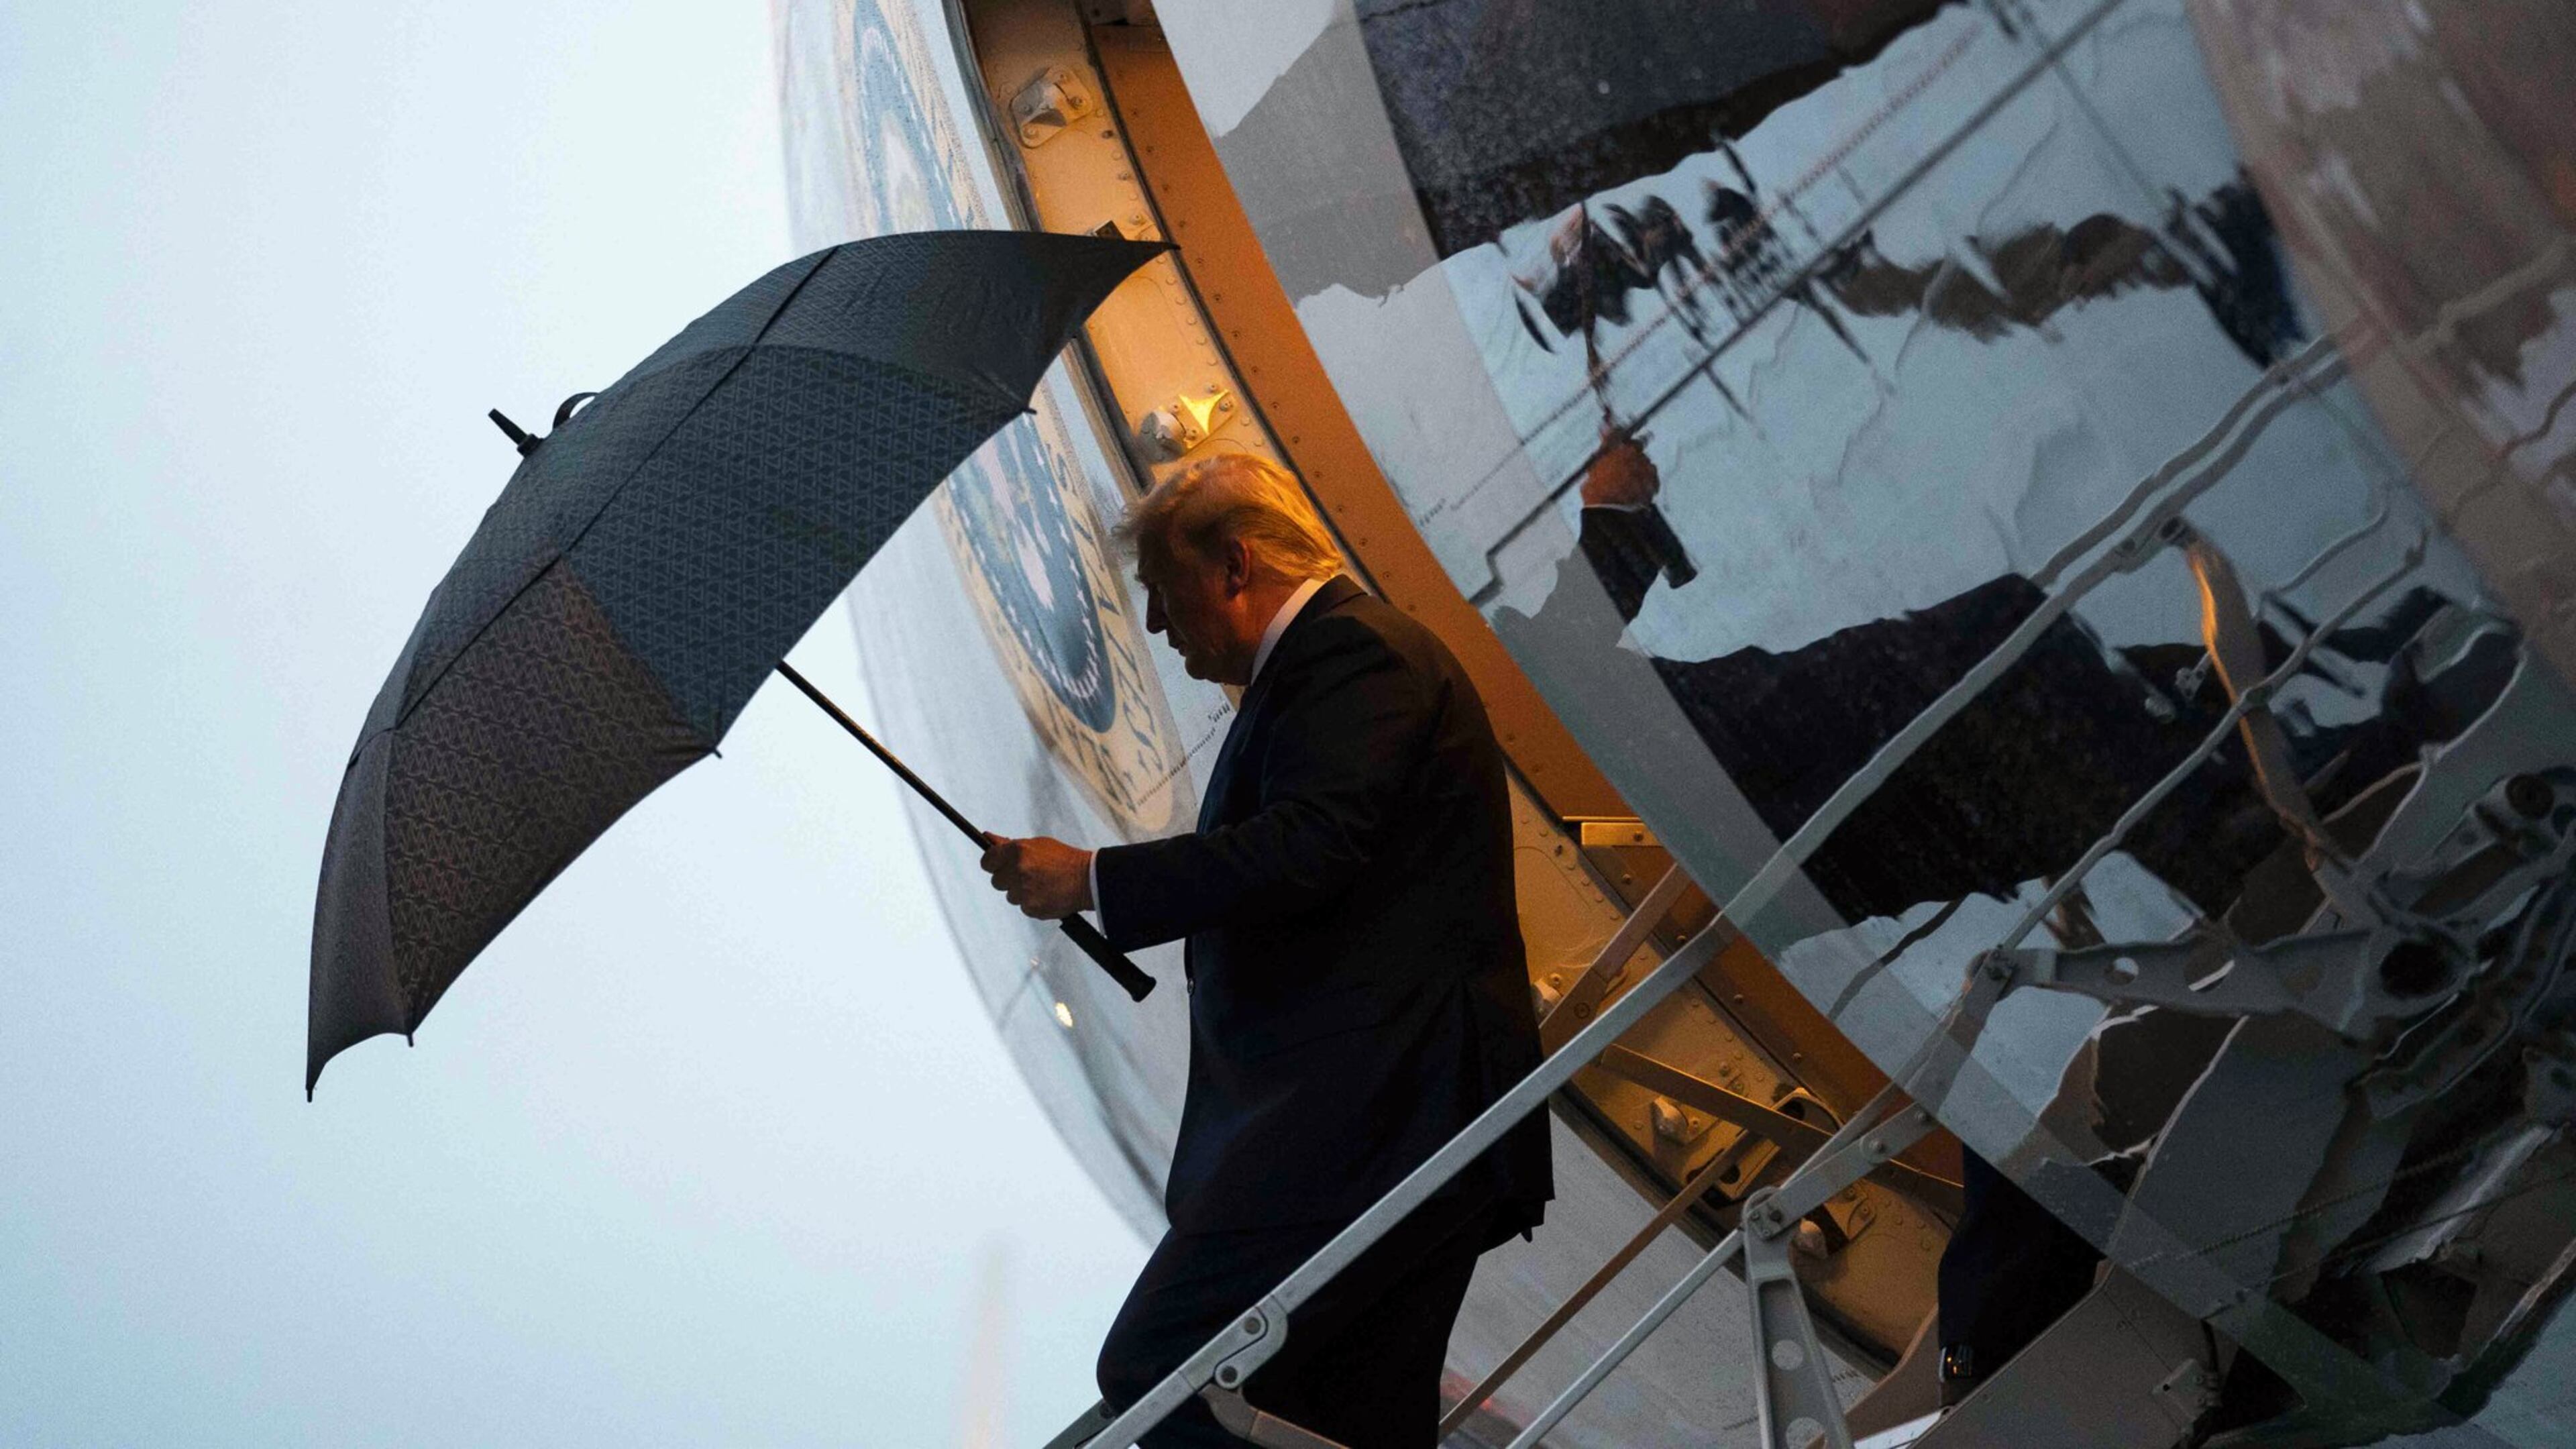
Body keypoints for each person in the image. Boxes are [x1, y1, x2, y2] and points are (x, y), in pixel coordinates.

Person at [980, 453, 1551, 1448]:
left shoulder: (1350, 655)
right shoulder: (1333, 666)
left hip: (1377, 1119)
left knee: (1161, 1369)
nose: (1156, 627)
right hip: (1399, 1121)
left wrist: (1095, 882)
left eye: (1164, 593)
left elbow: (1309, 845)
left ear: (1235, 566)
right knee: (1335, 1415)